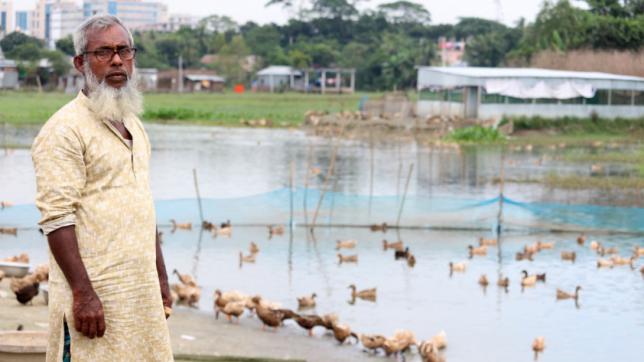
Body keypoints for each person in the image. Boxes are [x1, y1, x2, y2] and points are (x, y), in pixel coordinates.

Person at [31, 14, 173, 361]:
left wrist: (161, 278)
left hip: (139, 295)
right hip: (97, 299)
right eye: (103, 52)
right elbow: (57, 219)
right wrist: (84, 294)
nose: (116, 60)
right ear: (81, 62)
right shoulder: (64, 130)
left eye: (124, 50)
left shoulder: (133, 125)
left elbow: (142, 204)